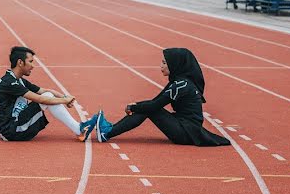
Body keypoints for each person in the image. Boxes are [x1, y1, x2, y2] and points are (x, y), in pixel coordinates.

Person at [86, 48, 230, 147]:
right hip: (183, 126)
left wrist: (133, 107)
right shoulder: (179, 81)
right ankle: (108, 131)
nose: (161, 66)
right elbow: (156, 101)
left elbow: (155, 105)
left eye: (164, 63)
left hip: (186, 132)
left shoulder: (181, 85)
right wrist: (136, 105)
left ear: (174, 65)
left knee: (150, 109)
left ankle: (108, 132)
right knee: (148, 108)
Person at [0, 46, 93, 142]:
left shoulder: (18, 80)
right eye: (30, 62)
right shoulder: (9, 82)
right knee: (46, 98)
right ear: (20, 62)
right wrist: (64, 101)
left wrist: (66, 98)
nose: (33, 66)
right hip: (11, 131)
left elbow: (45, 91)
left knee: (48, 95)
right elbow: (41, 99)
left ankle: (79, 129)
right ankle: (79, 130)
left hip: (16, 123)